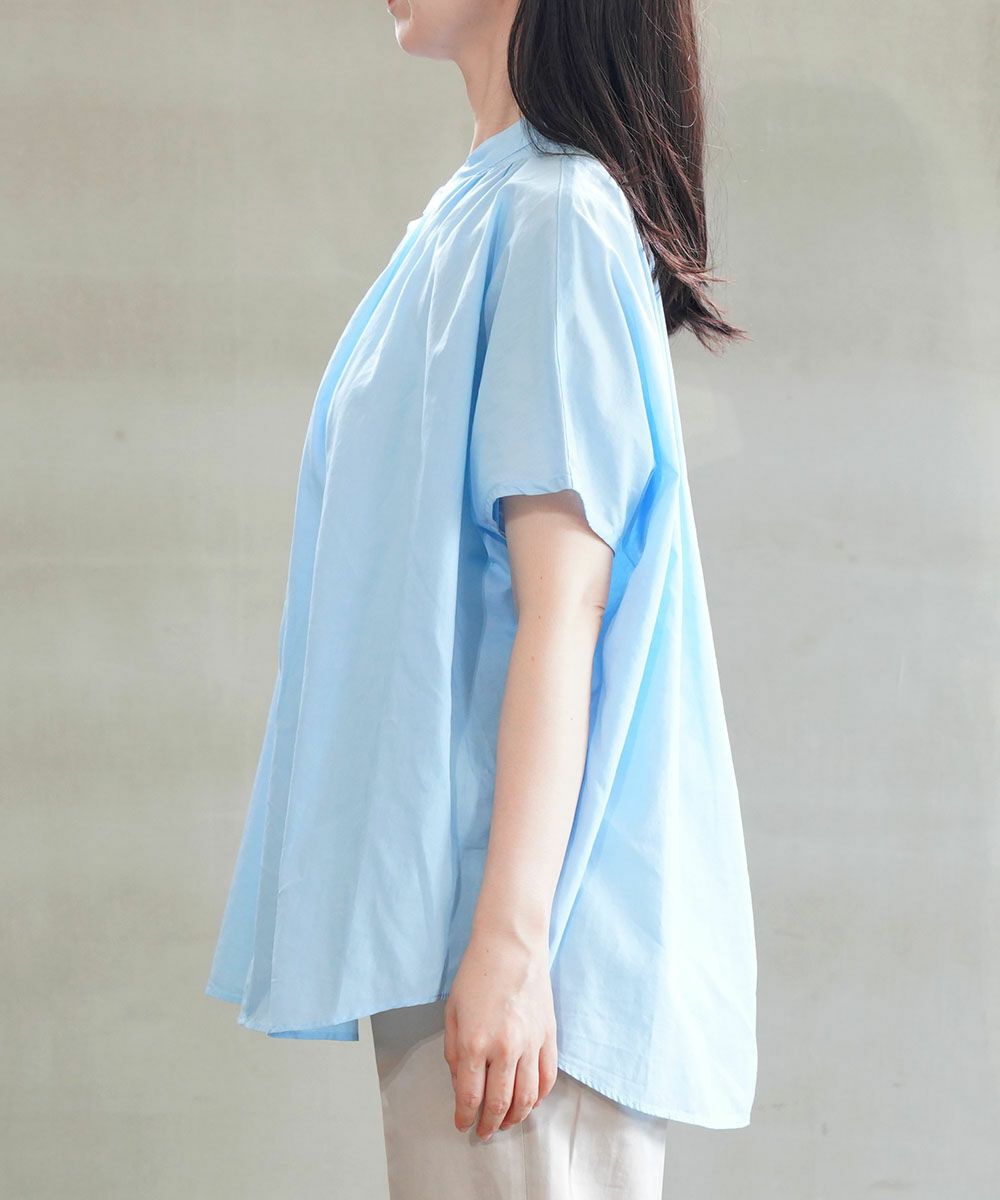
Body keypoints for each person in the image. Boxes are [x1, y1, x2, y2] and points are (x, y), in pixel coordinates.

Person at [204, 0, 758, 1195]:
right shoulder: (481, 210)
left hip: (524, 940)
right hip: (458, 915)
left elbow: (568, 603)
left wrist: (511, 942)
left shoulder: (555, 215)